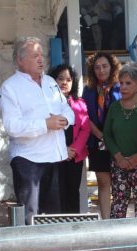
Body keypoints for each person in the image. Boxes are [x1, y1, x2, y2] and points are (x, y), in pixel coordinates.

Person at [0, 37, 74, 224]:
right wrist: (45, 124)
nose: (41, 60)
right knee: (30, 215)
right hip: (28, 159)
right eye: (35, 56)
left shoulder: (50, 82)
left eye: (42, 55)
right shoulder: (10, 87)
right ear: (20, 60)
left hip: (53, 156)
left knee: (53, 215)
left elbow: (67, 109)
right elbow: (12, 126)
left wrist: (64, 120)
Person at [103, 63, 137, 218]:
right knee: (118, 205)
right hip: (119, 165)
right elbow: (107, 134)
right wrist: (118, 157)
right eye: (121, 83)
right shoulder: (114, 107)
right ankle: (117, 234)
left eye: (128, 83)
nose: (123, 87)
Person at [82, 51, 121, 219]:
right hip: (97, 140)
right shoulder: (88, 90)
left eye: (105, 66)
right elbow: (84, 115)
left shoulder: (120, 87)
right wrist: (99, 134)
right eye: (97, 67)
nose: (101, 70)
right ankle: (106, 221)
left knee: (119, 184)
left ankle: (119, 220)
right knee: (103, 182)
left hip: (118, 141)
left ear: (112, 67)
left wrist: (111, 136)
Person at [48, 64, 90, 213]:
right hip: (54, 155)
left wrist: (74, 150)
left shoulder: (80, 103)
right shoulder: (47, 103)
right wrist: (62, 150)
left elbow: (85, 129)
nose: (64, 82)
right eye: (60, 79)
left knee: (72, 193)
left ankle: (74, 223)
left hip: (74, 156)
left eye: (68, 79)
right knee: (55, 194)